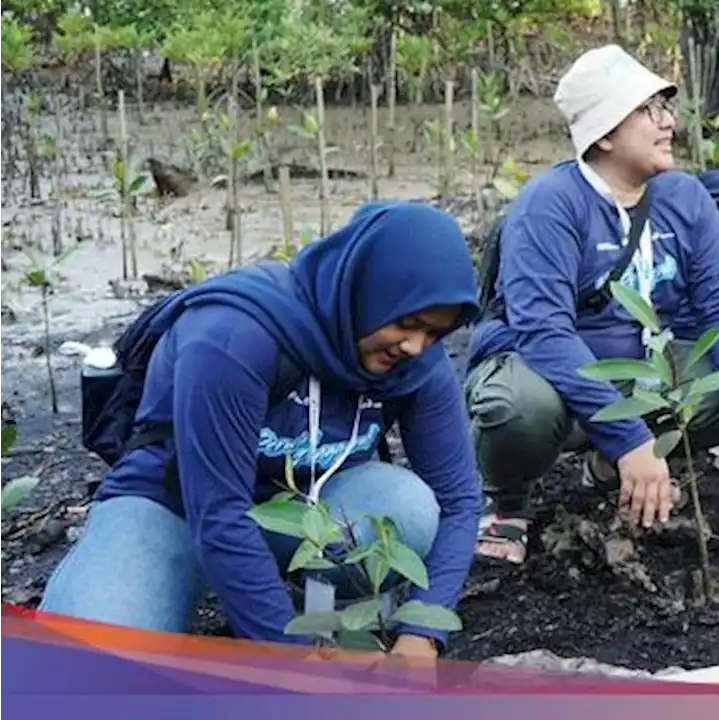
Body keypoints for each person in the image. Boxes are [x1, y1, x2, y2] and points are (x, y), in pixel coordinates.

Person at [40, 202, 483, 663]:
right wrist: (296, 661)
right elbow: (219, 513)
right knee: (87, 666)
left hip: (298, 513)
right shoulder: (234, 334)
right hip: (176, 509)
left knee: (407, 508)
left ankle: (331, 612)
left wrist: (422, 635)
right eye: (407, 323)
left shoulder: (417, 363)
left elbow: (460, 500)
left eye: (435, 333)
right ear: (367, 290)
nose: (416, 346)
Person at [465, 44, 719, 566]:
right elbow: (544, 333)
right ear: (606, 133)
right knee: (518, 408)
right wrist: (633, 439)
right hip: (546, 370)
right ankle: (507, 504)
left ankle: (607, 470)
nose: (667, 124)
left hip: (638, 366)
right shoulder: (550, 205)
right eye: (648, 111)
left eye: (665, 108)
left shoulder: (685, 197)